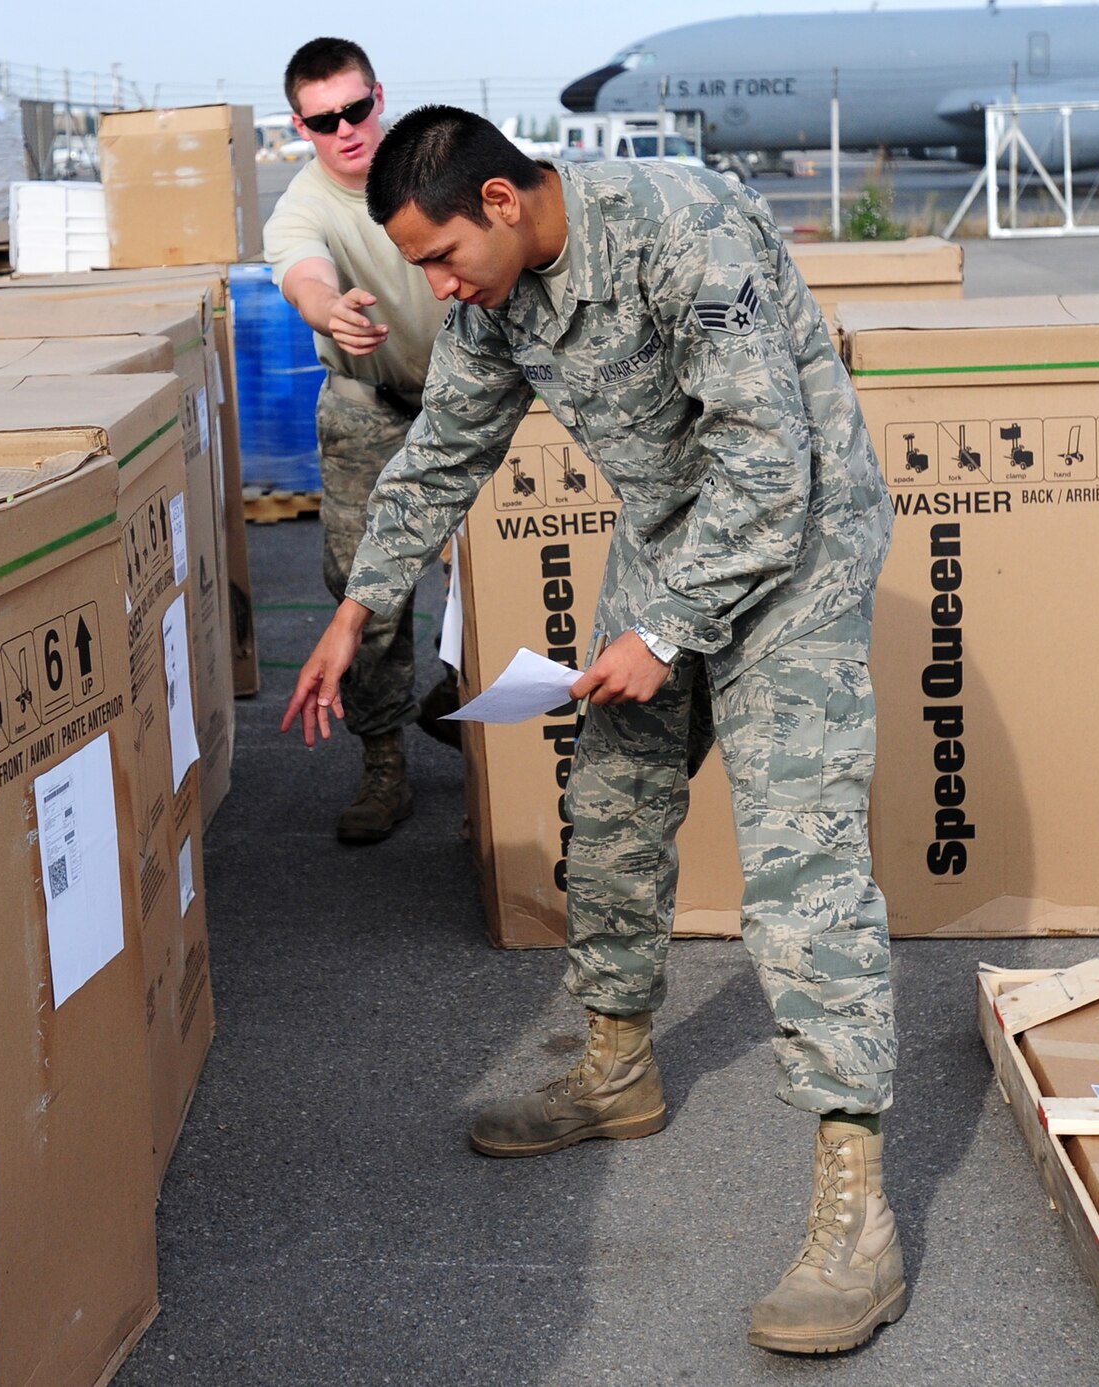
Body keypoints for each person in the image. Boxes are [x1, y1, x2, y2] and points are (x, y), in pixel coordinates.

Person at [281, 105, 902, 1354]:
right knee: (610, 811)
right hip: (670, 547)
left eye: (444, 257)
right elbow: (443, 447)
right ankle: (614, 1065)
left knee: (801, 866)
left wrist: (664, 630)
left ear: (503, 204)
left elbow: (771, 469)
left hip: (799, 553)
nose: (440, 288)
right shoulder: (494, 295)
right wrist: (358, 608)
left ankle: (856, 1206)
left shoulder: (679, 229)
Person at [263, 37, 458, 847]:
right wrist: (325, 308)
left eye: (356, 108)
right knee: (365, 583)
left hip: (470, 396)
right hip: (366, 403)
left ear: (380, 96)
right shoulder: (302, 205)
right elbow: (300, 268)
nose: (345, 129)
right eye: (323, 119)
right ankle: (385, 762)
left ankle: (477, 706)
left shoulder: (433, 163)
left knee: (515, 554)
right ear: (301, 126)